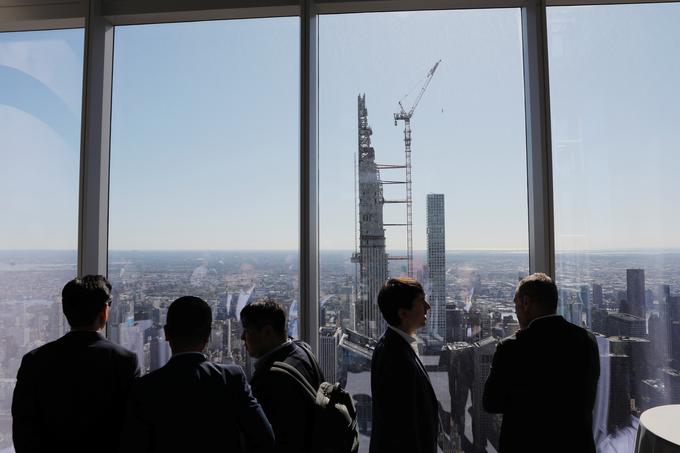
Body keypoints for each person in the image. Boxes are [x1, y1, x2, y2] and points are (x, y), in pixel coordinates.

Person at [119, 296, 274, 453]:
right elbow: (264, 438)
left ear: (167, 333)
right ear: (208, 336)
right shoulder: (231, 378)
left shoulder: (145, 388)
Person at [12, 275, 140, 453]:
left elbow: (23, 426)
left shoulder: (35, 360)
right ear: (105, 311)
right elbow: (133, 427)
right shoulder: (124, 361)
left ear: (65, 310)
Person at [483, 273, 600, 453]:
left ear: (526, 302)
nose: (515, 311)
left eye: (516, 303)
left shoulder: (512, 348)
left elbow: (491, 402)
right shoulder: (587, 340)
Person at [240, 299, 323, 453]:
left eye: (247, 331)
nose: (242, 337)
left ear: (267, 332)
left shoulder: (270, 379)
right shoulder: (304, 352)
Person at [370, 277, 440, 453]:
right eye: (420, 301)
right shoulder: (395, 358)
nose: (428, 306)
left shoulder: (393, 346)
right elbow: (403, 429)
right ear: (403, 313)